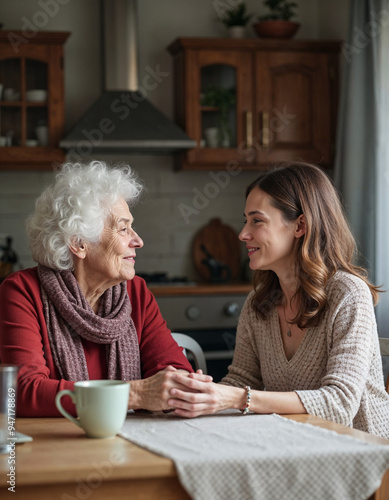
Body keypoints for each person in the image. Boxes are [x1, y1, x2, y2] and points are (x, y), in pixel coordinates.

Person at [167, 162, 389, 438]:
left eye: (257, 220)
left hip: (362, 457)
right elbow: (242, 381)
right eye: (245, 220)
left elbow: (339, 404)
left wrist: (236, 398)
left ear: (300, 226)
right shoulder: (259, 303)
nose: (242, 234)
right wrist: (202, 395)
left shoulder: (348, 294)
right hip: (291, 444)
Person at [0, 161, 210, 417]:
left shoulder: (136, 293)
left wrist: (182, 386)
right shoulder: (23, 292)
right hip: (58, 447)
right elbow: (22, 393)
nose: (138, 240)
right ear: (79, 243)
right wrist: (134, 394)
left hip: (134, 444)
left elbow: (175, 370)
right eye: (123, 229)